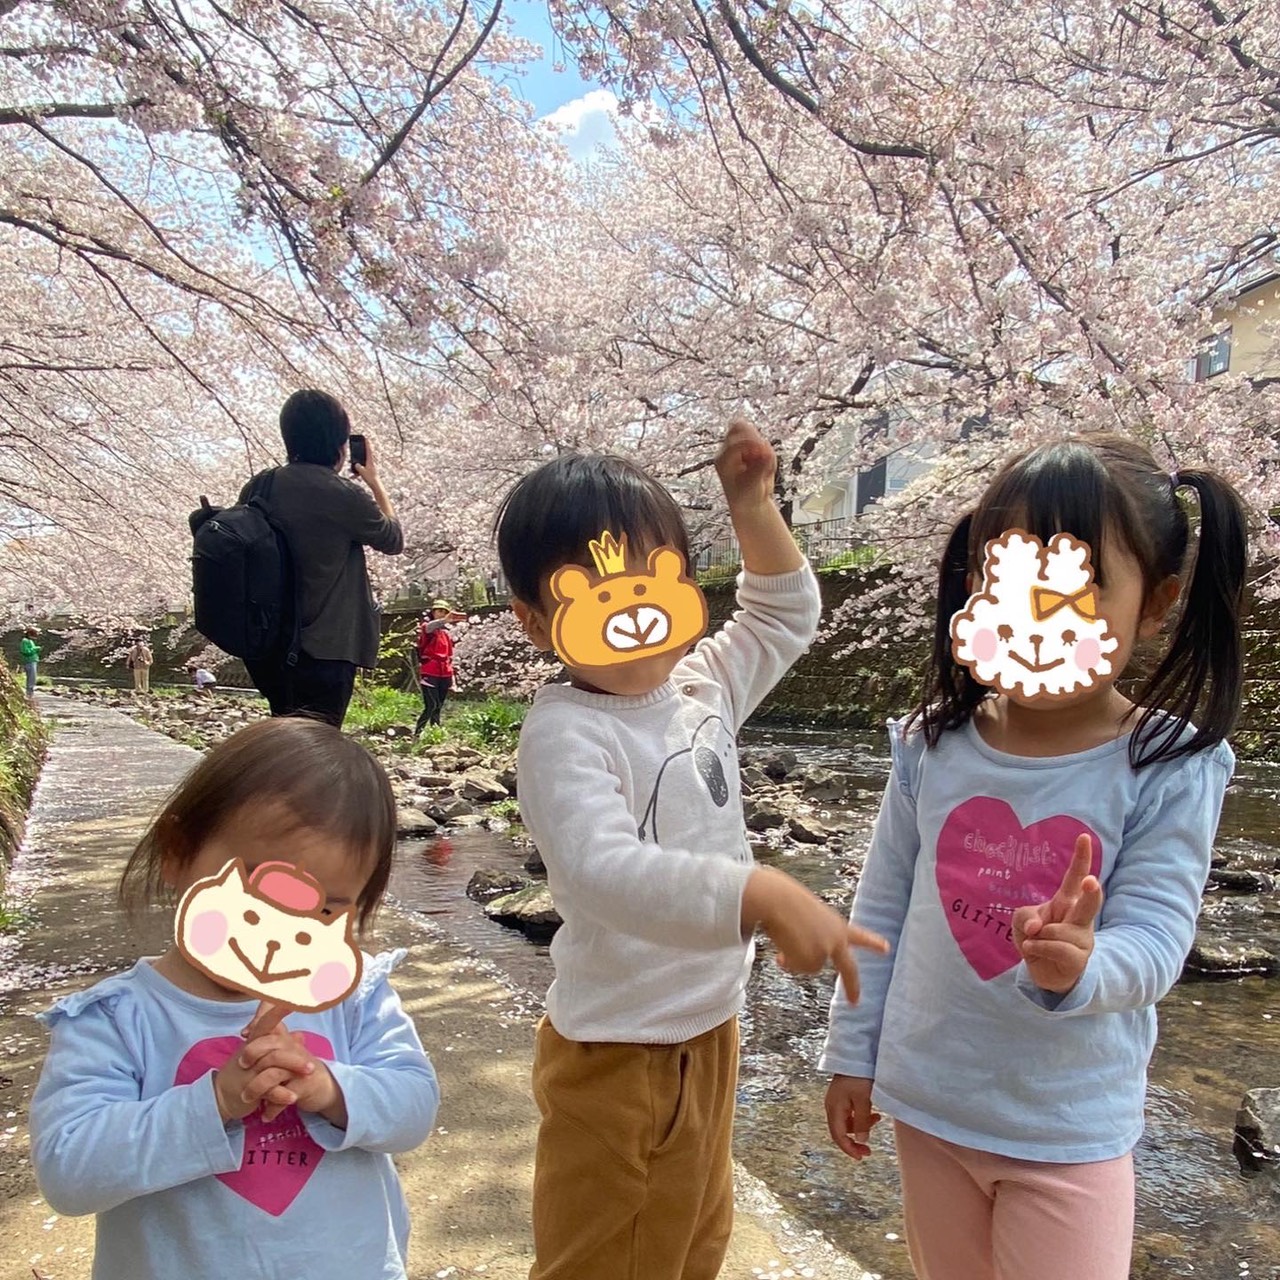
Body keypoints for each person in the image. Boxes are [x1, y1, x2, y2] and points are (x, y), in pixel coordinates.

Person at [820, 434, 1247, 1280]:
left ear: (1156, 602)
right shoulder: (933, 746)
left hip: (1065, 1127)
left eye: (1074, 591)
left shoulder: (1168, 766)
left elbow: (1158, 938)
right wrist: (852, 1056)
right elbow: (879, 912)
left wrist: (1085, 964)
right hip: (929, 1102)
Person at [497, 418, 888, 1280]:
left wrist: (752, 507)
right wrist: (753, 894)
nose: (634, 613)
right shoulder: (565, 733)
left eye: (654, 580)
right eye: (595, 596)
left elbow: (784, 614)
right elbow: (600, 871)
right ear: (534, 622)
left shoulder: (700, 685)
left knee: (691, 1240)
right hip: (618, 1050)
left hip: (710, 1027)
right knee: (603, 1257)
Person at [29, 718, 439, 1280]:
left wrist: (328, 1087)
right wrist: (216, 1101)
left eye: (327, 909)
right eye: (259, 894)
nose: (279, 931)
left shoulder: (354, 997)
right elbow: (69, 1170)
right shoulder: (117, 1020)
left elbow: (413, 1106)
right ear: (178, 853)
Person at [242, 389, 404, 729]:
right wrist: (375, 482)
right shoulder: (341, 493)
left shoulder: (259, 486)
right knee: (320, 741)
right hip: (327, 648)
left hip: (271, 645)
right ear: (339, 443)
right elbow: (393, 538)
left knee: (288, 737)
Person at [414, 600, 465, 736]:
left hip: (444, 672)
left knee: (439, 706)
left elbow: (449, 657)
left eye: (444, 612)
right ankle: (418, 732)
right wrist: (445, 620)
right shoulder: (427, 628)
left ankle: (435, 731)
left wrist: (453, 681)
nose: (442, 614)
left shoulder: (445, 635)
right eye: (439, 611)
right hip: (430, 671)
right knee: (432, 705)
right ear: (433, 612)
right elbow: (429, 627)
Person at [19, 626, 40, 699]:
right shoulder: (25, 641)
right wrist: (35, 649)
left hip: (33, 661)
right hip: (29, 661)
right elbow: (26, 651)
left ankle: (30, 693)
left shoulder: (30, 641)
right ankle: (29, 694)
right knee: (31, 678)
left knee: (33, 678)